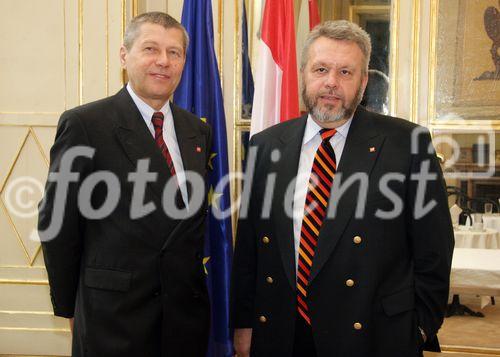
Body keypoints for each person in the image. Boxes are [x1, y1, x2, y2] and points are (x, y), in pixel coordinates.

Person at [232, 20, 453, 357]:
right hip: (282, 333)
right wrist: (245, 323)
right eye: (321, 69)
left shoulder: (407, 144)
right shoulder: (266, 145)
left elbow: (434, 248)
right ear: (304, 73)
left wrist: (420, 327)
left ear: (363, 82)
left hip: (373, 336)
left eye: (346, 73)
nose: (331, 83)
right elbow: (250, 247)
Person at [38, 12, 212, 357]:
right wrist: (73, 307)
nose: (163, 61)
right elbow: (57, 223)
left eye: (174, 53)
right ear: (124, 55)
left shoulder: (198, 131)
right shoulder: (86, 124)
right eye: (150, 49)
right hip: (114, 319)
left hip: (183, 320)